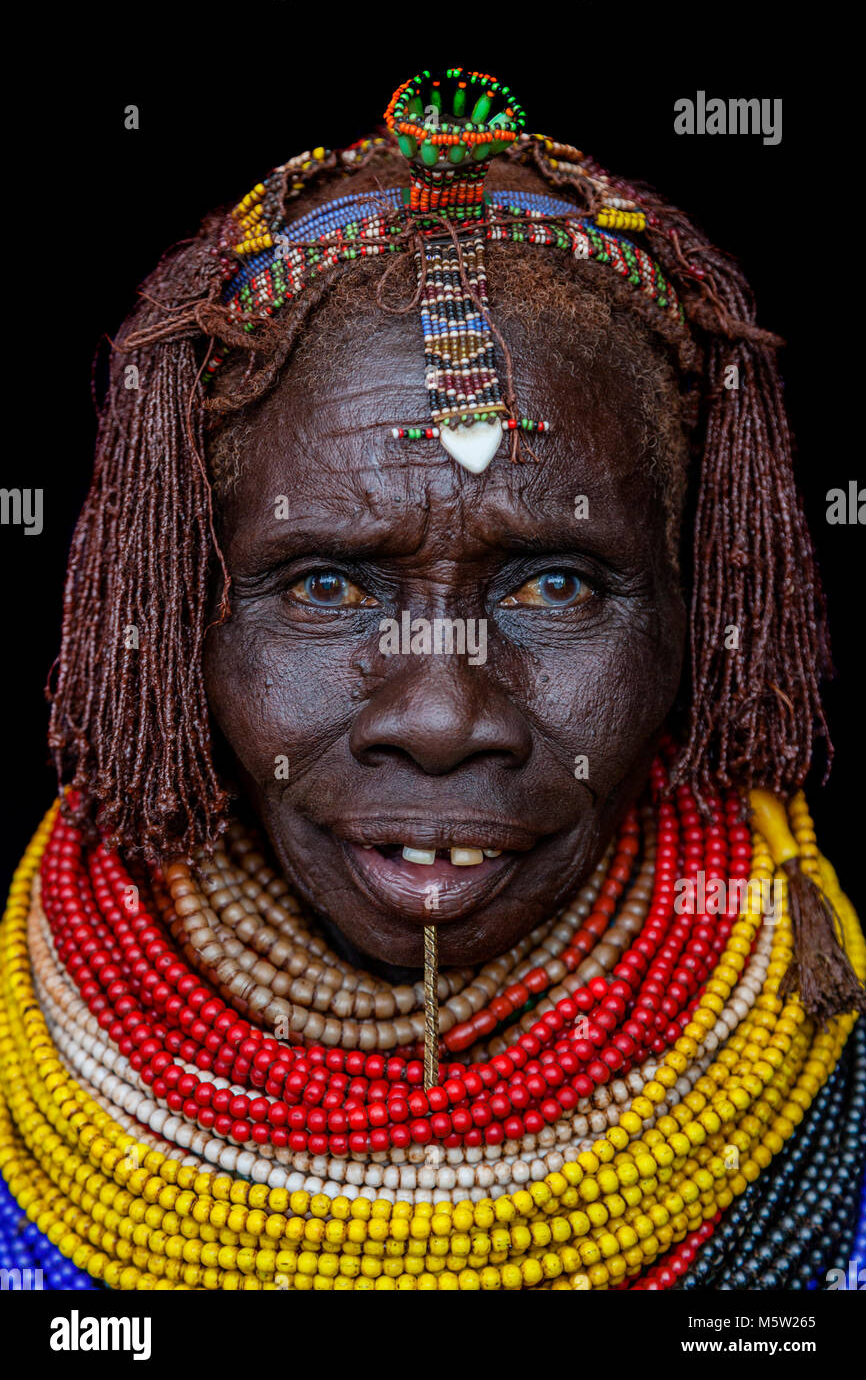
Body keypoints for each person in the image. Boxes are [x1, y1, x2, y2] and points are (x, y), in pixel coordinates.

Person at [1, 67, 863, 1293]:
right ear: (172, 606)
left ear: (699, 605)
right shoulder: (19, 1067)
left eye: (556, 585)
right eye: (327, 586)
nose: (442, 715)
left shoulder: (823, 1045)